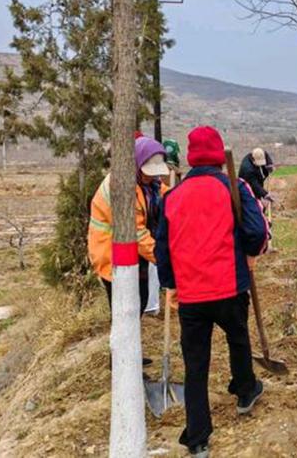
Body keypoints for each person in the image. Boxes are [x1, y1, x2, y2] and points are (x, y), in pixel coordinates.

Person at [155, 126, 268, 458]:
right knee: (238, 338)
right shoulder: (234, 187)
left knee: (196, 364)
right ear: (219, 156)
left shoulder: (173, 196)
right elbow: (256, 230)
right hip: (229, 286)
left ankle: (198, 436)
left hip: (191, 294)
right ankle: (245, 391)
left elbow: (163, 247)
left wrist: (170, 283)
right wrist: (251, 252)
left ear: (192, 157)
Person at [87, 135, 169, 314]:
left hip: (134, 253)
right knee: (126, 310)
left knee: (141, 300)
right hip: (112, 255)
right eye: (148, 172)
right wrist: (165, 259)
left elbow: (169, 197)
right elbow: (137, 234)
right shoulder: (121, 188)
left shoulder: (150, 185)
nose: (151, 176)